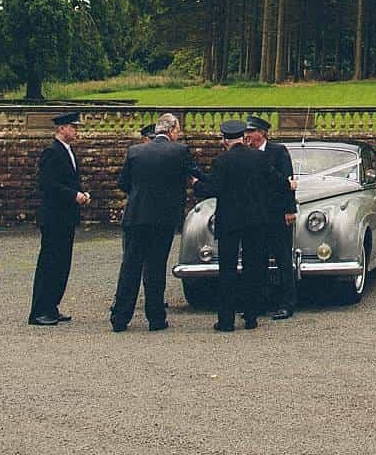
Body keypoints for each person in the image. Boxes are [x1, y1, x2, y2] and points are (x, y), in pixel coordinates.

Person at [109, 112, 200, 332]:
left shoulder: (135, 152)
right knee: (156, 267)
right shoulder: (180, 152)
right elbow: (196, 176)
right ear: (171, 131)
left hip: (137, 216)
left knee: (130, 266)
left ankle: (120, 317)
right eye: (177, 130)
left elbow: (123, 183)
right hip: (163, 218)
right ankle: (156, 317)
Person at [192, 119, 283, 332]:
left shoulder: (221, 161)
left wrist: (196, 185)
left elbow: (212, 188)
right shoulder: (260, 158)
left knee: (228, 270)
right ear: (243, 137)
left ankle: (226, 320)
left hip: (230, 220)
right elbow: (275, 181)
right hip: (256, 220)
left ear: (225, 139)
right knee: (254, 267)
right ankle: (251, 316)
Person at [30, 110, 90, 326]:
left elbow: (69, 180)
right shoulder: (51, 151)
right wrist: (74, 195)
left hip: (65, 216)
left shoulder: (67, 151)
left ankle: (52, 305)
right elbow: (48, 184)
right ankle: (38, 310)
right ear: (61, 128)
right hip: (54, 216)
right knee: (49, 263)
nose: (76, 130)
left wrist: (81, 193)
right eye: (73, 127)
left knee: (61, 263)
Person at [245, 116, 298, 319]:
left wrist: (289, 209)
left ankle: (287, 303)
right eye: (246, 133)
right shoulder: (246, 153)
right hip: (256, 215)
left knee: (283, 258)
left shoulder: (278, 151)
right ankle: (259, 302)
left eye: (251, 132)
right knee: (257, 260)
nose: (247, 136)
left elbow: (288, 180)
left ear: (262, 133)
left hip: (277, 213)